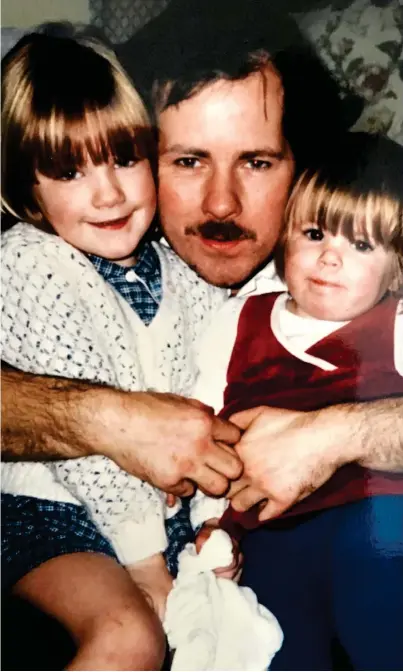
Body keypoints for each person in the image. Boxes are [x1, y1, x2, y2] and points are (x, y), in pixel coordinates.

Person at [2, 0, 402, 667]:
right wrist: (105, 418)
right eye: (188, 162)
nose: (220, 203)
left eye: (256, 162)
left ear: (304, 168)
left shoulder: (357, 260)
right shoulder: (63, 242)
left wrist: (339, 434)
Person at [1, 32, 241, 670]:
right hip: (47, 506)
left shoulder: (185, 273)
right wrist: (144, 564)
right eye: (70, 171)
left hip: (158, 521)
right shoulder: (33, 263)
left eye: (123, 159)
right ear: (28, 190)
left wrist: (215, 523)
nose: (107, 194)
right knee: (129, 637)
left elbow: (212, 409)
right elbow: (89, 442)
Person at [190, 132, 403, 669]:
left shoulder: (396, 323)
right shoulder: (238, 321)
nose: (330, 256)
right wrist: (212, 524)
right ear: (286, 237)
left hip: (376, 516)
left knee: (379, 597)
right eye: (314, 233)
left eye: (360, 245)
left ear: (397, 271)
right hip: (269, 533)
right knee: (275, 643)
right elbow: (204, 438)